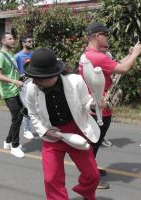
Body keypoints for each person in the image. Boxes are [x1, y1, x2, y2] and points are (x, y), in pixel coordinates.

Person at [25, 48, 100, 200]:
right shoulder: (31, 88)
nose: (35, 81)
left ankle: (85, 191)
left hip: (76, 130)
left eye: (39, 78)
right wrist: (45, 132)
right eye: (34, 77)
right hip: (51, 135)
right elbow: (32, 114)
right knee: (51, 179)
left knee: (92, 175)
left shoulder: (75, 81)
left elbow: (86, 103)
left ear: (53, 74)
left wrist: (95, 105)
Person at [78, 22, 141, 189]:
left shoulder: (90, 54)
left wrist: (129, 55)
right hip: (98, 110)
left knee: (95, 143)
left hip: (95, 107)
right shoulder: (97, 56)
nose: (108, 38)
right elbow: (122, 69)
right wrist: (135, 54)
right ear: (96, 36)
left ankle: (91, 170)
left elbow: (114, 66)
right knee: (92, 144)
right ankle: (89, 178)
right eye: (105, 35)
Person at [0, 32, 25, 158]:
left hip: (15, 90)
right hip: (8, 92)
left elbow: (11, 72)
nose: (13, 40)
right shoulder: (0, 56)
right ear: (3, 41)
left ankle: (7, 141)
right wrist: (14, 81)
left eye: (13, 38)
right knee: (17, 118)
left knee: (19, 116)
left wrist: (20, 78)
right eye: (10, 38)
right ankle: (15, 146)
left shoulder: (10, 54)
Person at [15, 34, 35, 140]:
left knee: (37, 106)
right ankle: (26, 130)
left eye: (32, 41)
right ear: (23, 43)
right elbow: (14, 72)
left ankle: (39, 127)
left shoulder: (34, 54)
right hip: (23, 84)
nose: (31, 43)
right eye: (29, 41)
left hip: (34, 83)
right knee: (27, 106)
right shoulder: (17, 56)